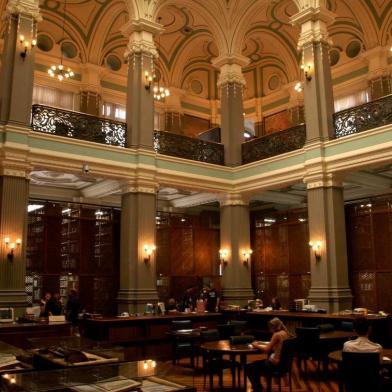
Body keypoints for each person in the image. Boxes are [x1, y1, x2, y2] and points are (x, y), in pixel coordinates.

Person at [246, 317, 290, 392]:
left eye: (270, 327)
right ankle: (258, 387)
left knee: (249, 367)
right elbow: (275, 346)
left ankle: (257, 388)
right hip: (283, 365)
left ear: (273, 327)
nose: (269, 329)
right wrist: (261, 343)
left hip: (273, 365)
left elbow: (266, 350)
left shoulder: (276, 335)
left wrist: (254, 345)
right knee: (254, 365)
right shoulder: (285, 333)